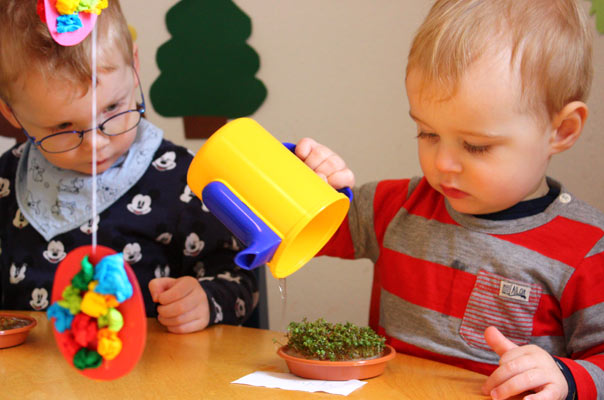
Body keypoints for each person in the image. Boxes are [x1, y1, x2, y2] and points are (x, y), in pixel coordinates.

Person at [296, 0, 604, 399]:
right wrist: (301, 181)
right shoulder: (395, 208)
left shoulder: (586, 247)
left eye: (475, 146)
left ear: (561, 130)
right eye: (427, 133)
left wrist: (565, 378)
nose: (442, 163)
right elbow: (295, 229)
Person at [0, 0, 257, 334]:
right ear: (12, 114)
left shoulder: (181, 178)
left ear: (134, 67)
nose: (96, 143)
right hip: (29, 383)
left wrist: (205, 300)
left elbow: (239, 277)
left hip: (150, 379)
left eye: (112, 108)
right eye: (63, 127)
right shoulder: (7, 179)